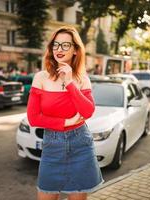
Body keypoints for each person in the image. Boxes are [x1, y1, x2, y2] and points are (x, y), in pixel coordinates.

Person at [27, 26, 103, 200]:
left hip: (80, 144)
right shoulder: (41, 78)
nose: (59, 49)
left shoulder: (82, 79)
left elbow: (88, 111)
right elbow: (33, 118)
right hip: (52, 145)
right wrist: (66, 122)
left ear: (75, 50)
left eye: (65, 45)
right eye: (56, 45)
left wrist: (69, 83)